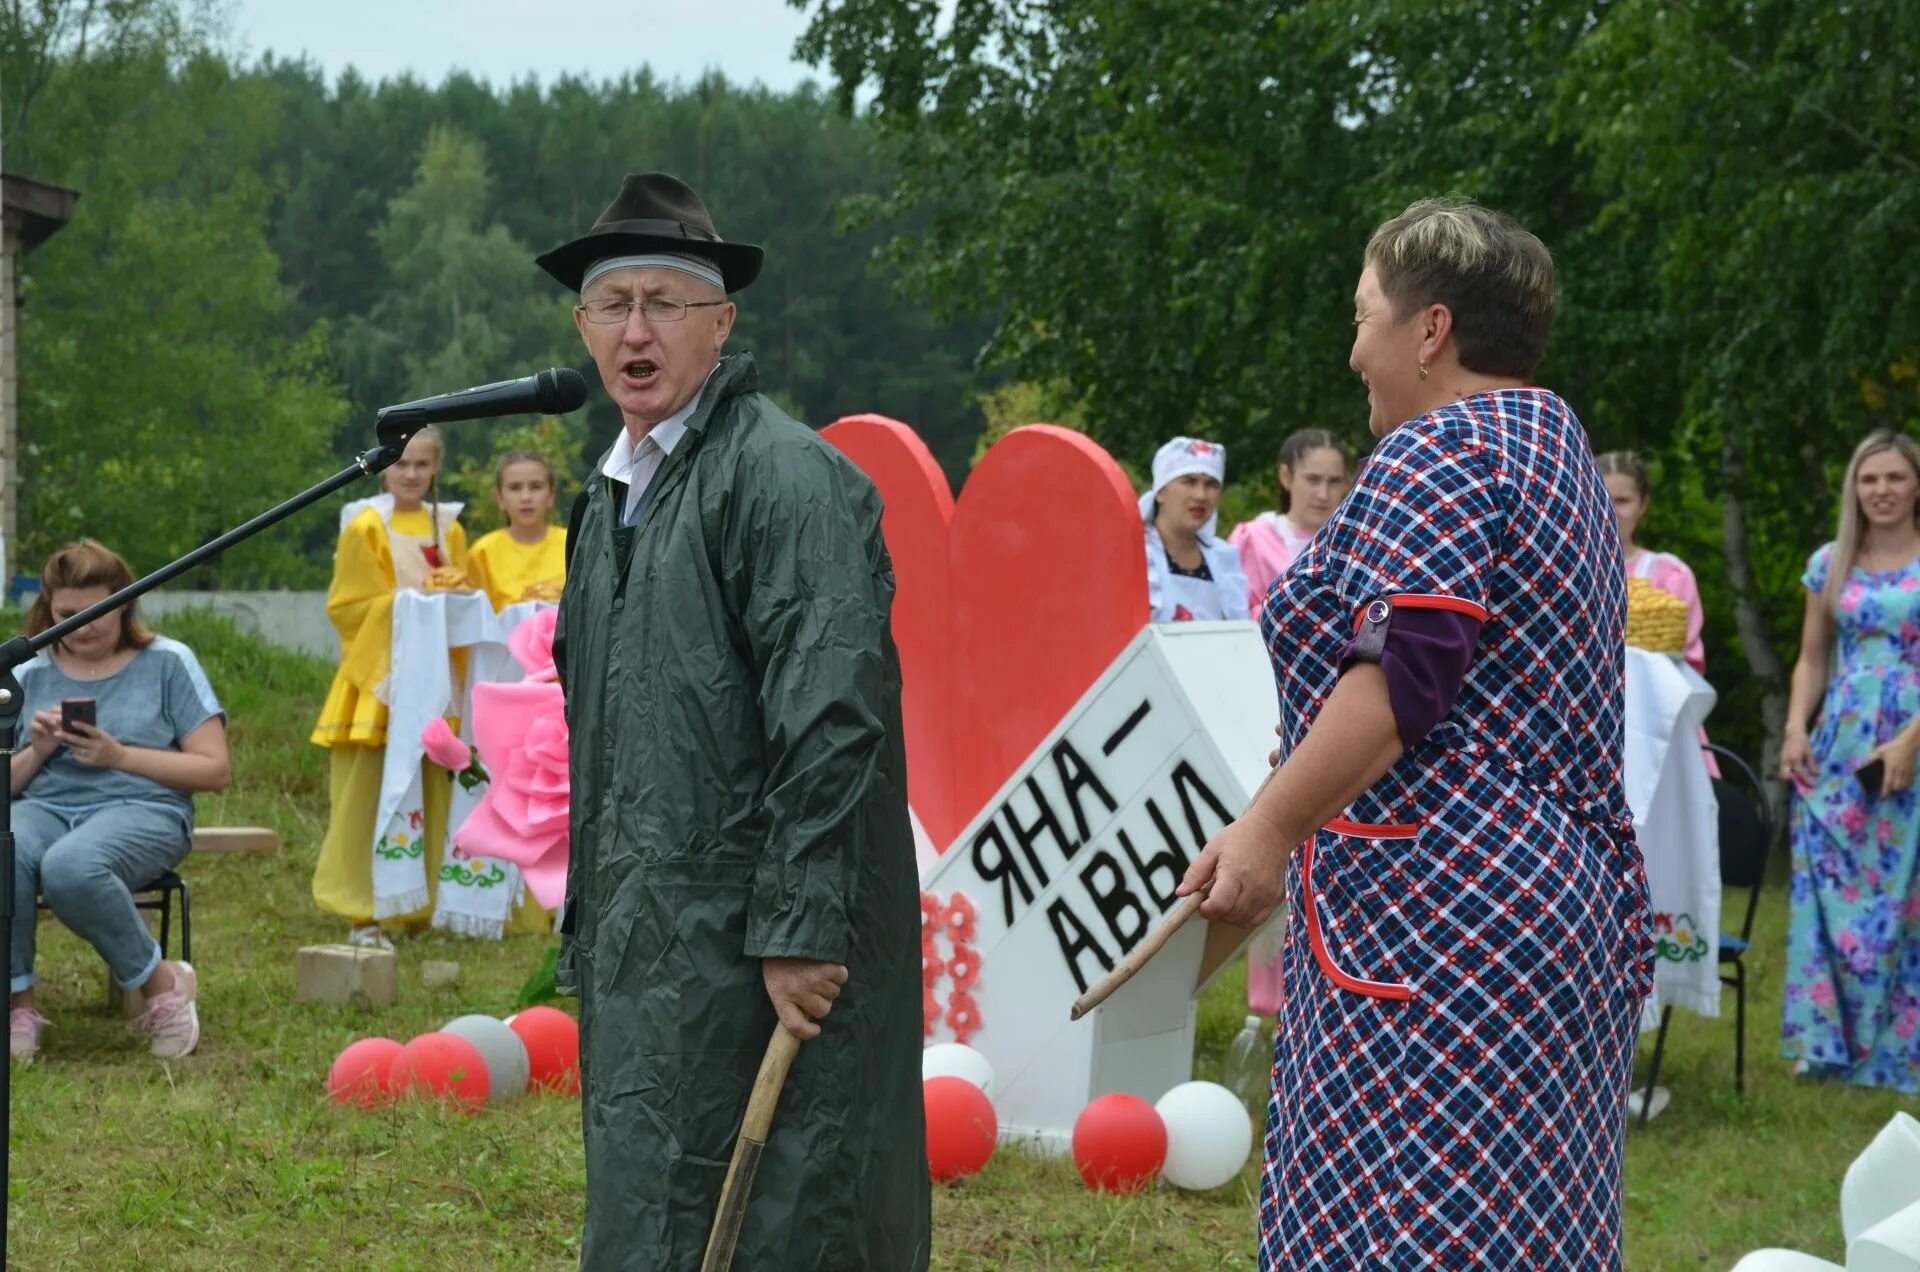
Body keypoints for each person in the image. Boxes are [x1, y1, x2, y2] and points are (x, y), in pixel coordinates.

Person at [1178, 198, 1650, 1270]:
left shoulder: (1438, 452)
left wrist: (1265, 830)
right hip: (1552, 901)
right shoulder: (1555, 441)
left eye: (1362, 319)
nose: (1354, 353)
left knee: (1406, 1230)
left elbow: (1402, 683)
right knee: (1527, 1227)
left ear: (1430, 330)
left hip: (1439, 922)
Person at [536, 171, 928, 1269]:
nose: (637, 331)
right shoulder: (611, 498)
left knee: (790, 1218)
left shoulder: (788, 482)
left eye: (665, 302)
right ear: (581, 327)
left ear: (723, 322)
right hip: (651, 940)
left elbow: (834, 714)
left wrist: (802, 926)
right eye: (613, 307)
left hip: (764, 950)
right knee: (651, 1202)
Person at [309, 430, 549, 945]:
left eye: (421, 464)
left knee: (433, 790)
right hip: (380, 684)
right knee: (368, 795)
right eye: (401, 464)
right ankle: (363, 909)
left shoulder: (450, 529)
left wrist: (447, 598)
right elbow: (349, 607)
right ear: (382, 468)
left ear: (435, 468)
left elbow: (463, 598)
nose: (411, 474)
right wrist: (409, 604)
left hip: (436, 676)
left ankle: (418, 903)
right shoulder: (366, 527)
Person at [9, 540, 227, 1062]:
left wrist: (117, 755)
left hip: (145, 808)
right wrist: (36, 752)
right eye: (67, 615)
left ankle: (163, 989)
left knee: (71, 866)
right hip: (45, 807)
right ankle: (19, 1006)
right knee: (6, 844)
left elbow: (213, 769)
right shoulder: (24, 671)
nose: (82, 628)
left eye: (97, 613)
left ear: (125, 604)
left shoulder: (168, 662)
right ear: (46, 608)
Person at [1779, 429, 1920, 1094]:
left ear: (1916, 483)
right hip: (1840, 741)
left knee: (1906, 897)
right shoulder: (1830, 561)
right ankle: (1828, 1043)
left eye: (1895, 477)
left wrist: (1908, 743)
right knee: (1831, 886)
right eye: (1870, 479)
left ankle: (1899, 1050)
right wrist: (1793, 728)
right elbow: (1811, 656)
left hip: (1912, 739)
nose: (1882, 491)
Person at [1597, 450, 1707, 675]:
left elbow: (1687, 663)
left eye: (1623, 501)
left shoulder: (1671, 576)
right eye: (1602, 499)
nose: (1611, 511)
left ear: (1643, 504)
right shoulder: (1567, 571)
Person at [1228, 428, 1352, 613]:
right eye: (1313, 479)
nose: (1323, 494)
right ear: (1286, 476)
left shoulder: (1352, 544)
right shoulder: (1253, 539)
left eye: (1334, 481)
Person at [1141, 436, 1250, 622]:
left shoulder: (1224, 557)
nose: (1201, 495)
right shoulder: (1137, 553)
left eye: (1211, 485)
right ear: (1161, 491)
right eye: (1189, 481)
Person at [466, 450, 568, 611]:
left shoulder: (573, 544)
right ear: (500, 498)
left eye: (536, 487)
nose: (526, 497)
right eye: (514, 488)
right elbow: (474, 617)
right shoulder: (482, 552)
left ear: (551, 496)